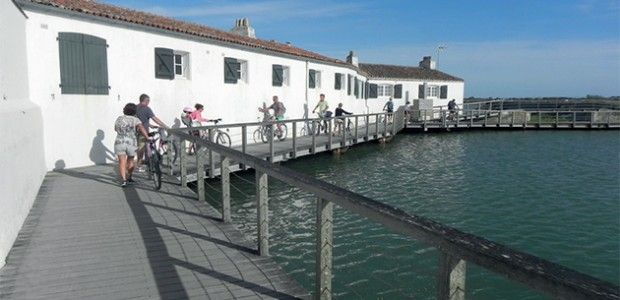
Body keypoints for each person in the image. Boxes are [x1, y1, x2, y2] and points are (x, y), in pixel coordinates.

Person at [114, 103, 149, 187]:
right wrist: (147, 137)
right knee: (131, 161)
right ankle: (129, 177)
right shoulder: (135, 119)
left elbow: (115, 129)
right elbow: (142, 128)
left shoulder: (119, 118)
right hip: (131, 143)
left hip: (119, 142)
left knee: (122, 162)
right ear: (134, 111)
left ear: (125, 110)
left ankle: (123, 180)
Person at [136, 94, 168, 170]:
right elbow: (155, 118)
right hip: (143, 132)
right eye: (148, 101)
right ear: (146, 100)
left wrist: (150, 125)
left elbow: (141, 120)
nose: (149, 102)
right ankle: (139, 165)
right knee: (142, 148)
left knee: (144, 148)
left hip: (137, 131)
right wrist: (165, 126)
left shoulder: (136, 107)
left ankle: (146, 163)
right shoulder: (146, 108)